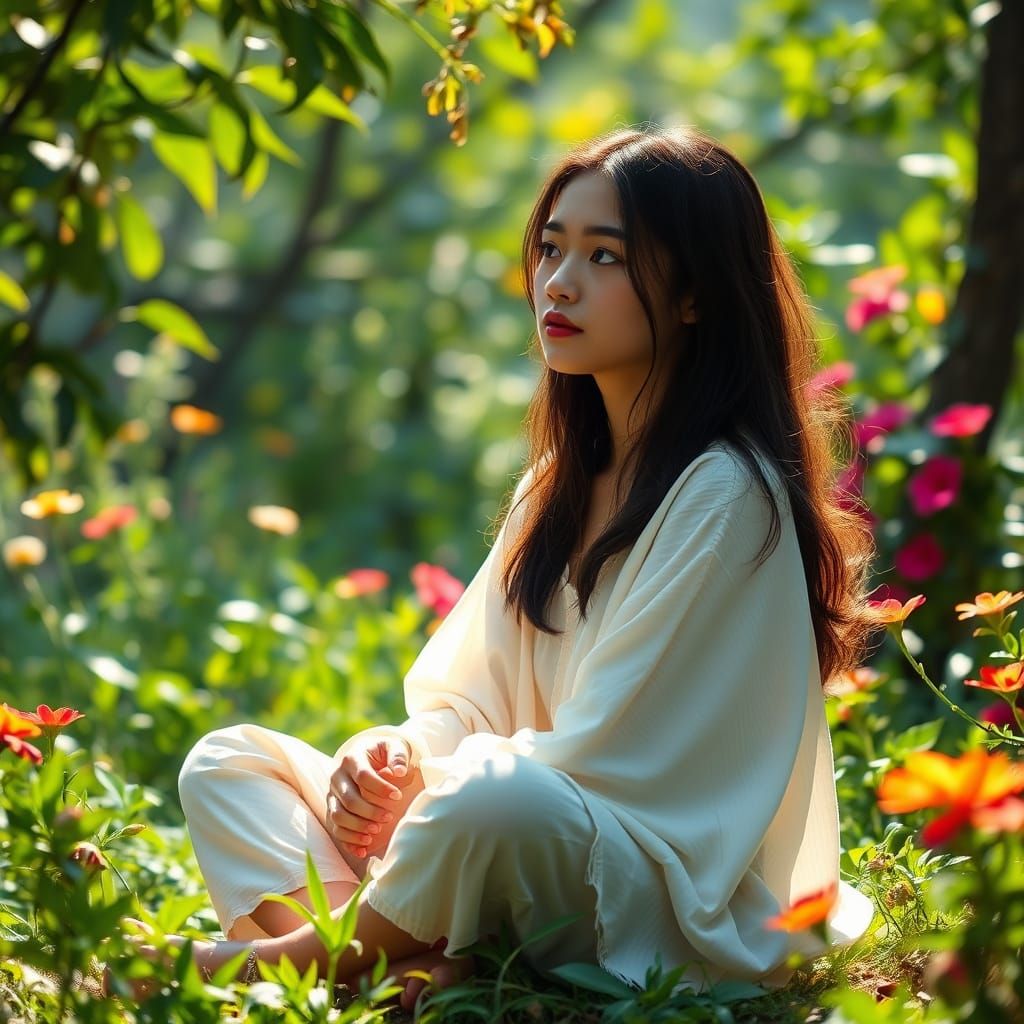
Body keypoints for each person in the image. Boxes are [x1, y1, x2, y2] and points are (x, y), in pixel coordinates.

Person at [164, 124, 878, 1011]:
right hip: (510, 835)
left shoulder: (727, 491)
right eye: (550, 248)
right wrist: (391, 759)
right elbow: (471, 702)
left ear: (695, 295)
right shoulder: (559, 482)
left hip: (653, 887)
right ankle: (399, 968)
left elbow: (603, 759)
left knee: (494, 801)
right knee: (228, 763)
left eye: (605, 256)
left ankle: (279, 965)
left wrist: (435, 784)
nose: (559, 282)